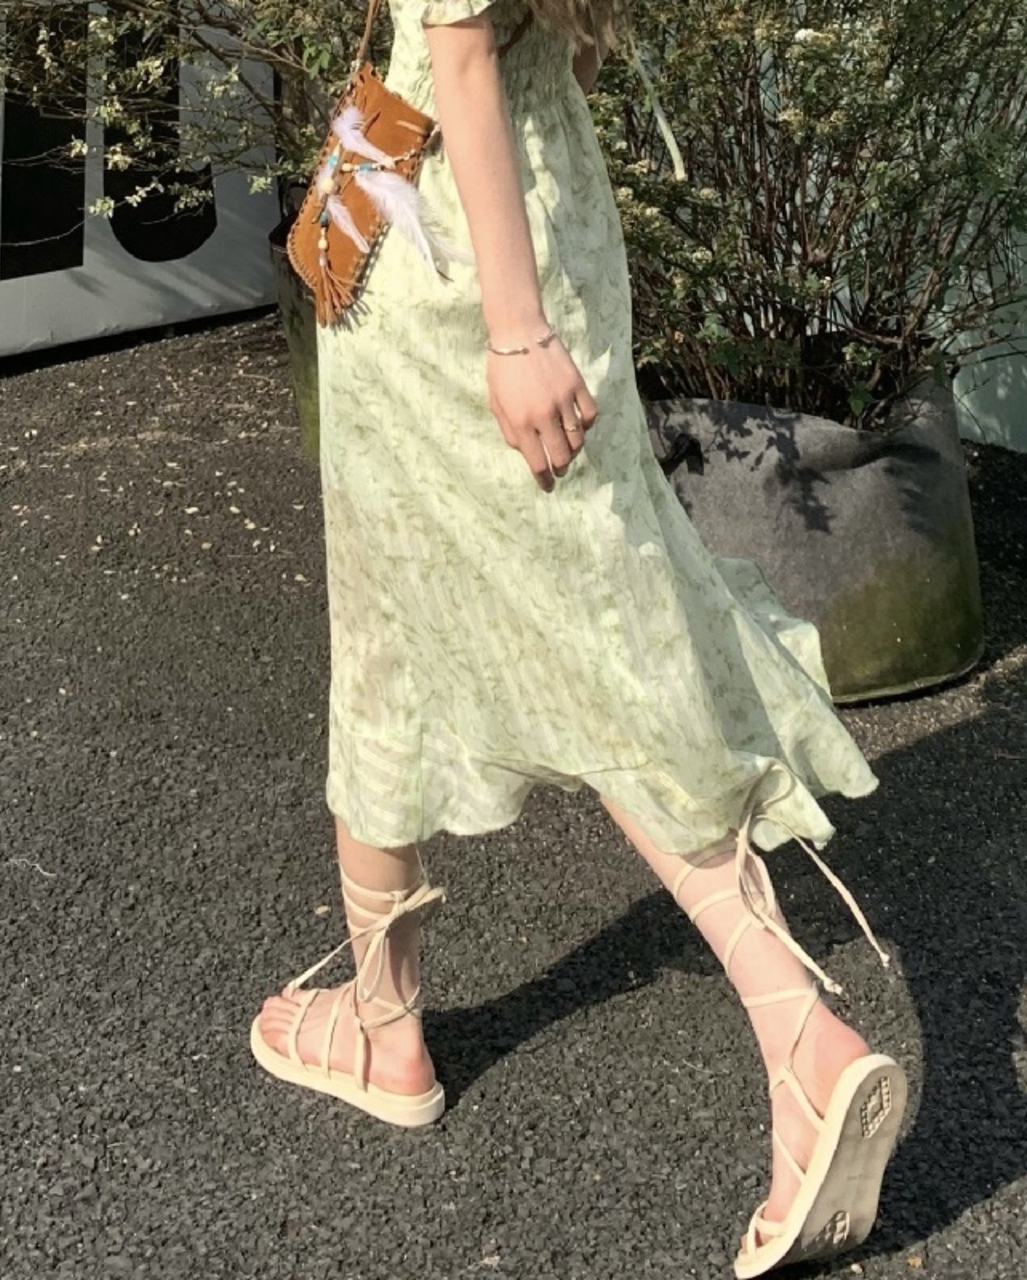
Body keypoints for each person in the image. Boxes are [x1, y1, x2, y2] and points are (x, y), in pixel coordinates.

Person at [250, 1, 907, 1274]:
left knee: (425, 632)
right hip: (536, 208)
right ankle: (389, 1019)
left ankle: (793, 1034)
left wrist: (513, 330)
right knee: (599, 625)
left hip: (456, 253)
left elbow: (454, 51)